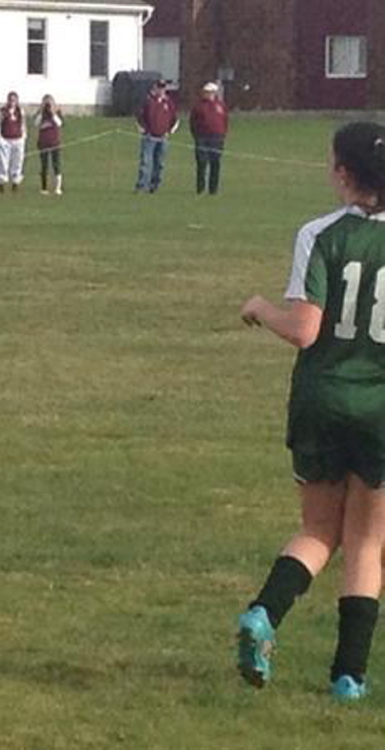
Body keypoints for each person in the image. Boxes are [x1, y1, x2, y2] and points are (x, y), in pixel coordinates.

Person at [237, 122, 385, 702]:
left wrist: (259, 309)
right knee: (369, 542)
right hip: (379, 406)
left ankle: (263, 614)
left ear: (345, 174)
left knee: (319, 530)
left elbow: (304, 329)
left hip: (322, 402)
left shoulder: (318, 234)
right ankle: (348, 677)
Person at [134, 79, 179, 193]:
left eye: (163, 87)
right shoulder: (148, 101)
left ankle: (154, 186)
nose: (161, 89)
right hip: (149, 137)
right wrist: (144, 131)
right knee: (146, 163)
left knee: (160, 164)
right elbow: (139, 117)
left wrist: (169, 132)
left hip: (163, 138)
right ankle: (141, 185)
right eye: (159, 87)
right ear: (155, 87)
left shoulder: (169, 102)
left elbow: (174, 119)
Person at [190, 81, 229, 195]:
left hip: (217, 138)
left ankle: (213, 189)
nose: (207, 94)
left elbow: (225, 120)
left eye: (210, 92)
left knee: (215, 163)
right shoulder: (198, 106)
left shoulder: (220, 105)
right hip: (202, 138)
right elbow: (193, 122)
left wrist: (222, 134)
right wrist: (197, 136)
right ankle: (200, 188)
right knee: (202, 163)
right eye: (206, 92)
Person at [0, 91, 26, 193]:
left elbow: (23, 124)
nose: (12, 102)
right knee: (4, 161)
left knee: (17, 161)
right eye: (10, 100)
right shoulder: (3, 111)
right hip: (6, 139)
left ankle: (15, 182)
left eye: (14, 100)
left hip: (18, 139)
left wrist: (23, 136)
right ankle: (2, 182)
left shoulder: (20, 111)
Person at [36, 94, 64, 196]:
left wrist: (53, 113)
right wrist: (41, 111)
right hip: (43, 143)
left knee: (56, 164)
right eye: (46, 102)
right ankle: (44, 188)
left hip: (54, 142)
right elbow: (36, 123)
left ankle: (58, 187)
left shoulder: (56, 112)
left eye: (49, 102)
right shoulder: (41, 114)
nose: (48, 105)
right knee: (44, 165)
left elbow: (60, 123)